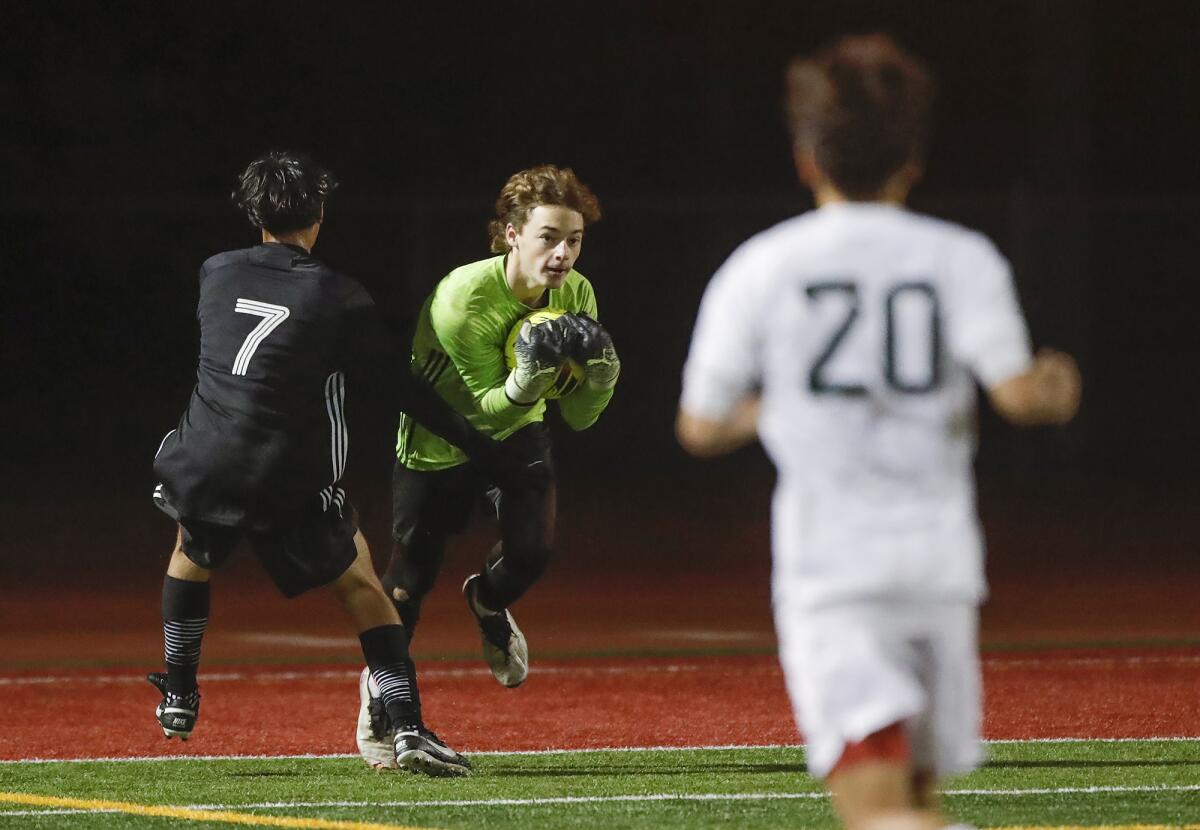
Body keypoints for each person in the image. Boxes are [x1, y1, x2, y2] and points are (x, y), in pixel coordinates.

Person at [676, 35, 1081, 830]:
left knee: (877, 814)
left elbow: (701, 424)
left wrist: (776, 405)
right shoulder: (962, 259)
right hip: (941, 567)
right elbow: (1022, 396)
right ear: (913, 157)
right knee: (916, 799)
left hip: (835, 575)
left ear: (805, 157)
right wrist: (1061, 383)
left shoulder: (761, 267)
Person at [149, 150, 526, 777]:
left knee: (192, 548)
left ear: (251, 212)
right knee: (361, 586)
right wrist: (478, 442)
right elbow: (397, 387)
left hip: (202, 455)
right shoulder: (335, 292)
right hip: (284, 469)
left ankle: (181, 693)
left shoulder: (214, 271)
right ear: (319, 212)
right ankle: (407, 727)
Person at [355, 164, 619, 766]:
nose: (562, 254)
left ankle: (487, 601)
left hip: (517, 432)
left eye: (574, 240)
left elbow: (578, 417)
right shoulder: (463, 297)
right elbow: (480, 414)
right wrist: (529, 381)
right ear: (509, 235)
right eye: (549, 237)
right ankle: (381, 700)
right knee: (406, 585)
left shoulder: (576, 293)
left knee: (532, 553)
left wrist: (600, 378)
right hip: (439, 443)